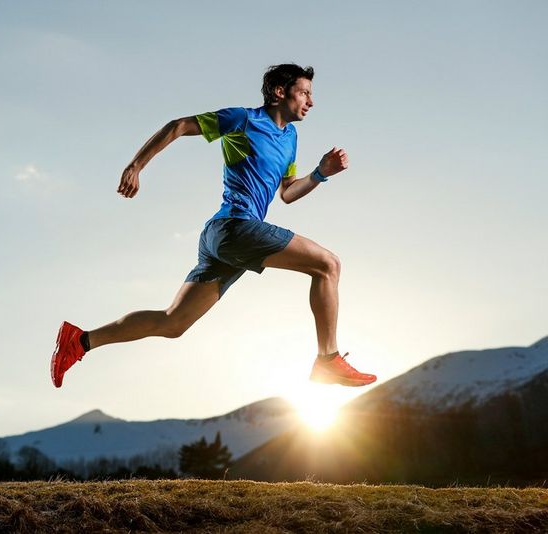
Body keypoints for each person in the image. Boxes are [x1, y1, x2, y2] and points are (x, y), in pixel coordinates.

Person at [50, 63, 376, 389]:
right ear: (280, 92)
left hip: (224, 239)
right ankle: (327, 360)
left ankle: (80, 341)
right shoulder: (242, 120)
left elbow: (288, 193)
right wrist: (136, 165)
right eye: (304, 92)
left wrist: (320, 173)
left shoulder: (290, 138)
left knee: (173, 322)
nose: (311, 101)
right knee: (328, 265)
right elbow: (178, 126)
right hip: (234, 227)